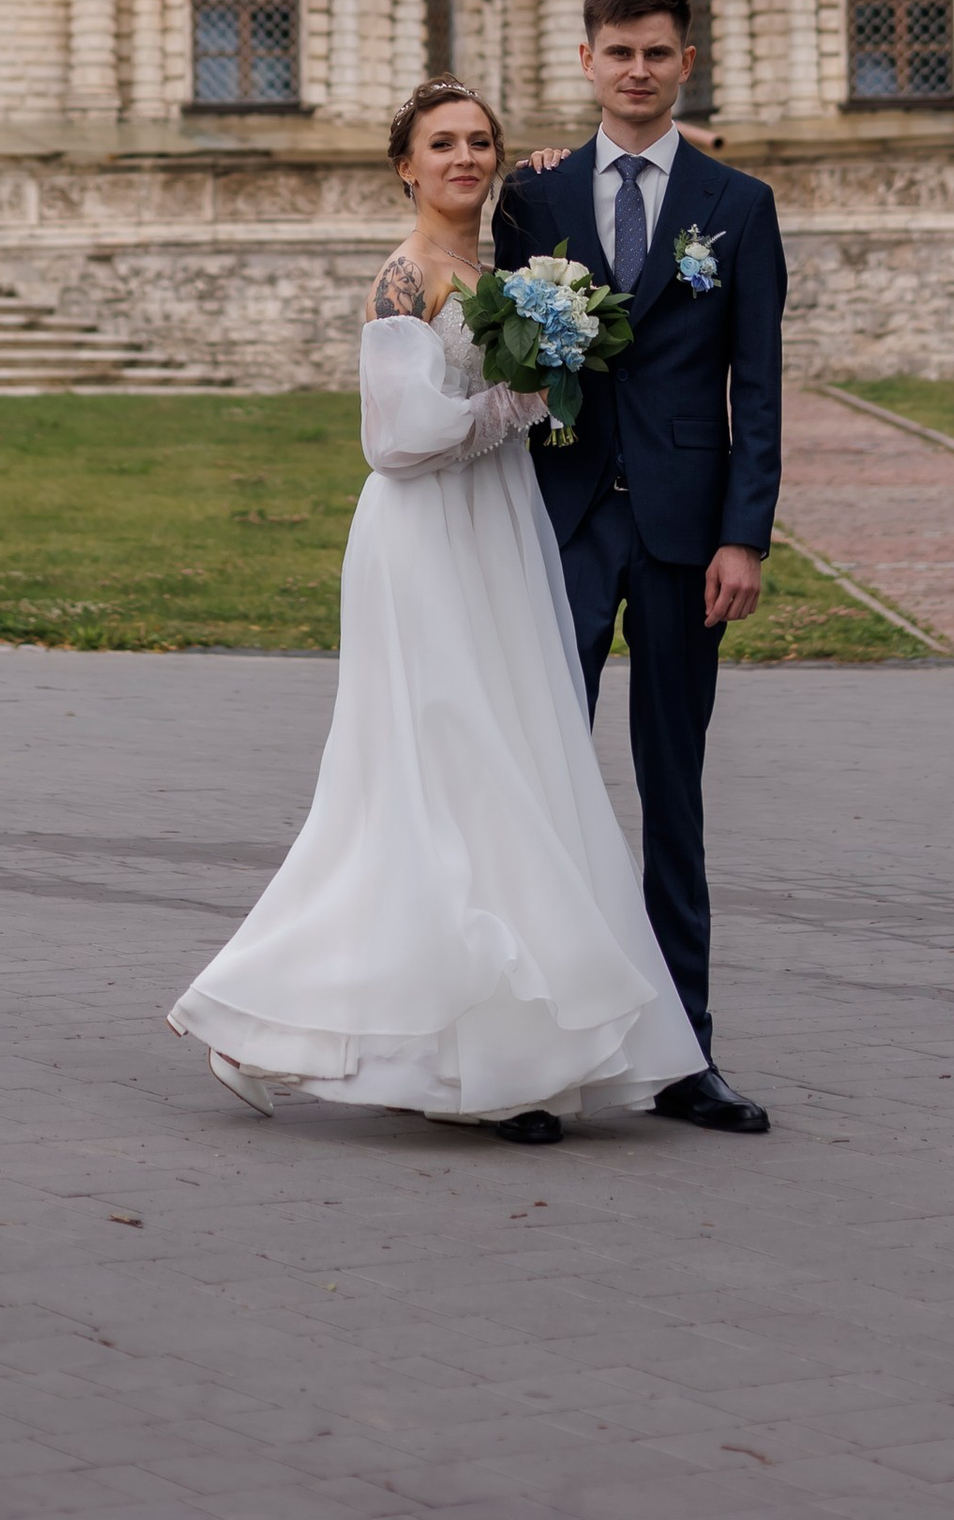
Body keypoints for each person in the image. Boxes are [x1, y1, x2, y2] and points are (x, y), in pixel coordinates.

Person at [169, 78, 701, 1142]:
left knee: (510, 765)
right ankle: (272, 1016)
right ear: (404, 165)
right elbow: (394, 440)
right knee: (435, 776)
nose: (466, 157)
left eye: (481, 141)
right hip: (421, 538)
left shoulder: (503, 271)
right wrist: (510, 402)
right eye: (442, 143)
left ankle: (502, 1055)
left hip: (497, 530)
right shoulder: (403, 279)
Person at [493, 0, 786, 1137]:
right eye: (619, 52)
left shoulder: (738, 203)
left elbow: (755, 389)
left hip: (683, 536)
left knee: (676, 793)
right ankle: (531, 1056)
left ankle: (684, 1057)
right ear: (586, 62)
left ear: (686, 63)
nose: (638, 70)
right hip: (561, 523)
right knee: (540, 793)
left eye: (658, 52)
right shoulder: (535, 198)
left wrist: (742, 535)